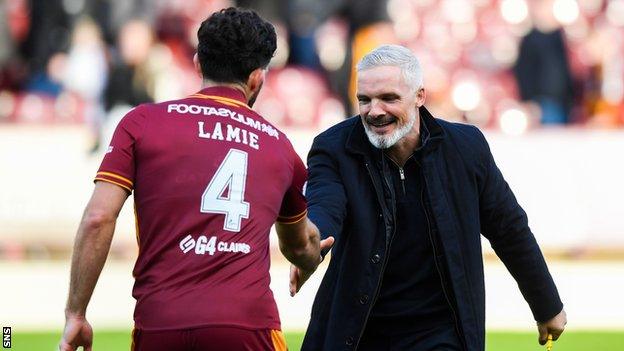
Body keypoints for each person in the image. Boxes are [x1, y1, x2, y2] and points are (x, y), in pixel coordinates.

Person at [59, 8, 326, 351]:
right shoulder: (279, 146)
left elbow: (98, 218)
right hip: (246, 325)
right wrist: (310, 259)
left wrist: (76, 313)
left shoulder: (141, 123)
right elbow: (300, 245)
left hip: (160, 324)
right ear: (258, 78)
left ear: (199, 64)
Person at [291, 45, 567, 350]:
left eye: (389, 98)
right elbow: (325, 205)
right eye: (364, 100)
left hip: (441, 335)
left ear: (419, 96)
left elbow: (509, 229)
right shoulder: (333, 147)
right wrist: (309, 242)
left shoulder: (466, 148)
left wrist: (547, 305)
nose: (375, 111)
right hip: (358, 334)